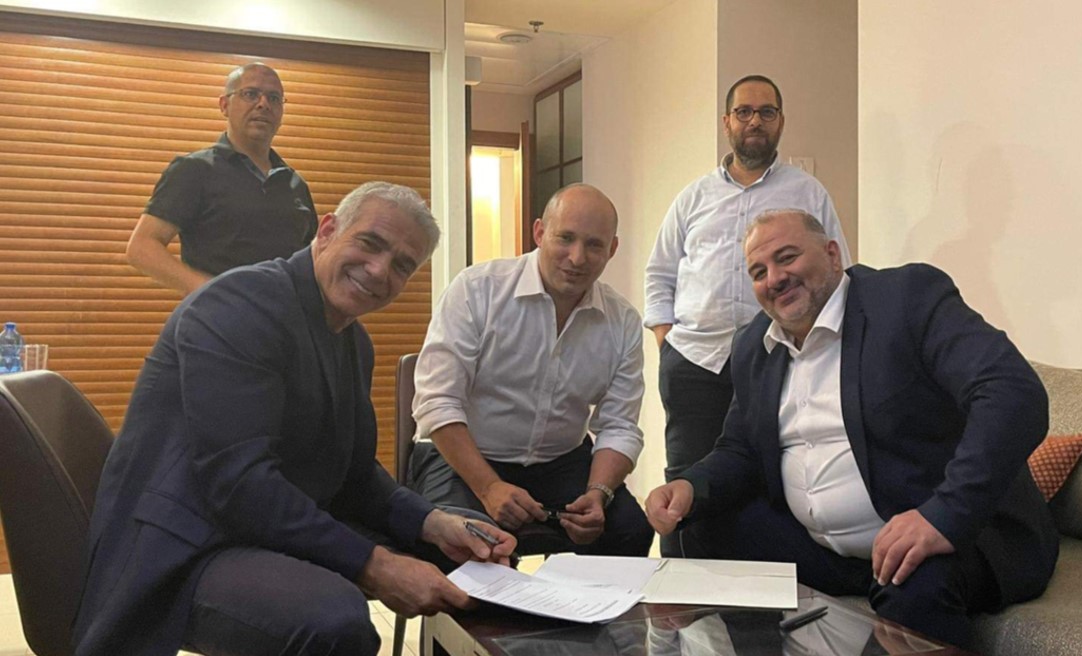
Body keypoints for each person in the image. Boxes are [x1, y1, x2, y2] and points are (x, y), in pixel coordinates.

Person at [73, 182, 516, 656]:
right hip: (187, 542)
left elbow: (354, 474)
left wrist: (431, 521)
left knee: (473, 548)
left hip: (260, 521)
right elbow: (238, 482)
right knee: (333, 618)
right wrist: (377, 565)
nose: (379, 270)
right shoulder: (238, 305)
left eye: (402, 265)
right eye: (370, 243)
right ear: (327, 231)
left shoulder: (353, 342)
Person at [645, 210, 1058, 647]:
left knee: (916, 586)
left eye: (787, 257)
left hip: (944, 532)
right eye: (759, 272)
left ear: (832, 255)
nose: (775, 279)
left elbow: (1012, 392)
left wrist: (944, 514)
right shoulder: (753, 345)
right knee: (703, 524)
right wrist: (689, 486)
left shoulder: (906, 298)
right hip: (822, 549)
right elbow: (741, 449)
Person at [644, 75, 850, 555]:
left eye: (766, 112)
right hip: (694, 363)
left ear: (780, 122)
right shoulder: (693, 197)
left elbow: (838, 270)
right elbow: (659, 273)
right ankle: (680, 593)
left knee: (767, 478)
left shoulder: (808, 193)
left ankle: (757, 594)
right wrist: (666, 341)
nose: (754, 121)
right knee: (685, 486)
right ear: (727, 123)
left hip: (774, 362)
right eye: (744, 112)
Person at [408, 183, 653, 558]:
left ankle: (576, 601)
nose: (577, 258)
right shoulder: (477, 290)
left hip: (562, 461)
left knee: (629, 529)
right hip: (466, 456)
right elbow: (437, 403)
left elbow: (619, 425)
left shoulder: (623, 321)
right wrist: (489, 487)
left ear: (612, 249)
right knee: (464, 541)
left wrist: (598, 493)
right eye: (565, 238)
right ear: (539, 232)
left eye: (594, 245)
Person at [126, 62, 318, 295]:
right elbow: (142, 247)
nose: (263, 104)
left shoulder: (295, 185)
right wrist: (215, 294)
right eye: (250, 94)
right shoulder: (195, 170)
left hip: (285, 315)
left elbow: (311, 260)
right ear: (224, 105)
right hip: (219, 315)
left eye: (274, 98)